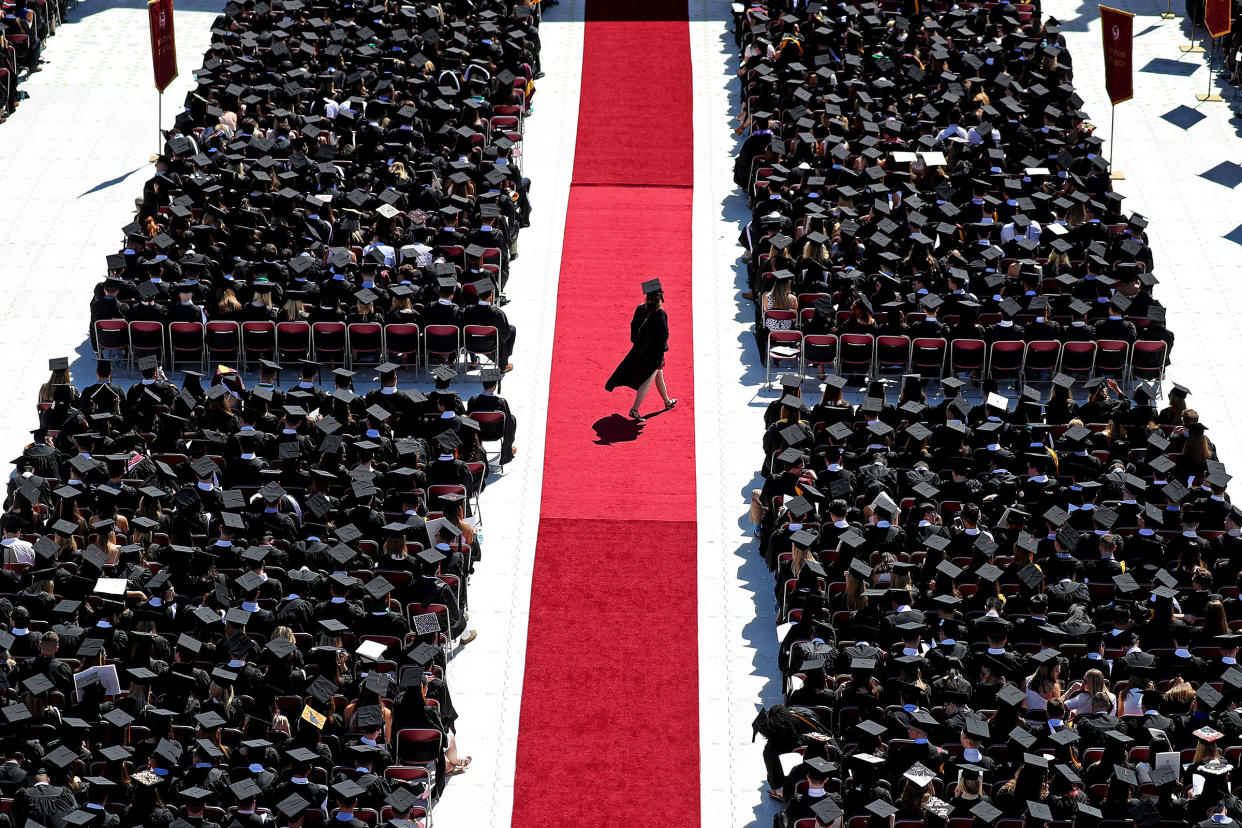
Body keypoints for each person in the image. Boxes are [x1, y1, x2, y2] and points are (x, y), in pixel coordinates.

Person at [605, 278, 677, 420]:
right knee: (648, 380)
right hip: (653, 354)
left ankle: (667, 402)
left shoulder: (639, 309)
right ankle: (634, 409)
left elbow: (633, 328)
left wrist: (638, 344)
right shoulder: (660, 313)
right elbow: (664, 335)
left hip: (640, 351)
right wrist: (662, 351)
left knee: (658, 375)